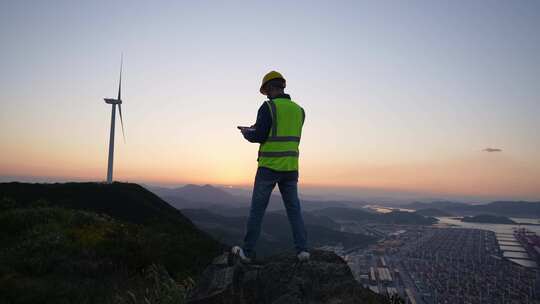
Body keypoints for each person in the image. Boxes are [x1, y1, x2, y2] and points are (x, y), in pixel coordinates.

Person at [232, 71, 310, 263]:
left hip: (269, 167)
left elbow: (260, 135)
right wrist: (257, 127)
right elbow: (280, 131)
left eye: (266, 90)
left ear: (269, 88)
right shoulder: (299, 110)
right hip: (291, 168)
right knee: (294, 210)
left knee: (257, 211)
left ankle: (247, 253)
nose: (266, 94)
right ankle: (302, 251)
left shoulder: (268, 107)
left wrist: (246, 133)